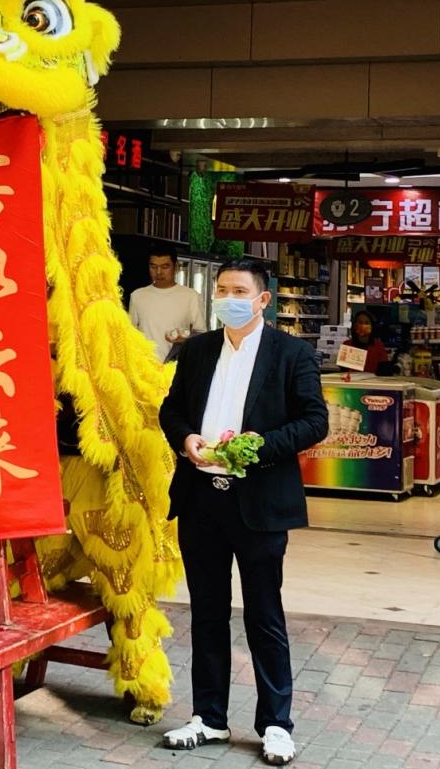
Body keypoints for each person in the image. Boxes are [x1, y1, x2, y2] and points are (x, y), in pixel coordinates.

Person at [158, 258, 328, 766]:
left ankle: (276, 723)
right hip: (201, 498)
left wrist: (258, 446)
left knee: (264, 614)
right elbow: (171, 409)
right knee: (207, 612)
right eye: (222, 289)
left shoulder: (291, 353)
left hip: (259, 503)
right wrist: (186, 438)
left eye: (239, 291)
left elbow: (314, 421)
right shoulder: (197, 350)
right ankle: (209, 717)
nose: (228, 299)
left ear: (262, 300)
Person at [128, 244, 206, 362]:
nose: (158, 272)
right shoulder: (137, 296)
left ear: (176, 267)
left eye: (165, 267)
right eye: (153, 267)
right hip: (145, 367)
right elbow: (131, 335)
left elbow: (202, 335)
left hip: (176, 367)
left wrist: (184, 339)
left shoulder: (191, 296)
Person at [341, 310, 390, 374]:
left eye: (366, 323)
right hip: (353, 380)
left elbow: (384, 370)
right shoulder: (347, 345)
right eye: (360, 322)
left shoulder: (378, 345)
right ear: (355, 325)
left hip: (373, 380)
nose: (363, 326)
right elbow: (343, 371)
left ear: (372, 326)